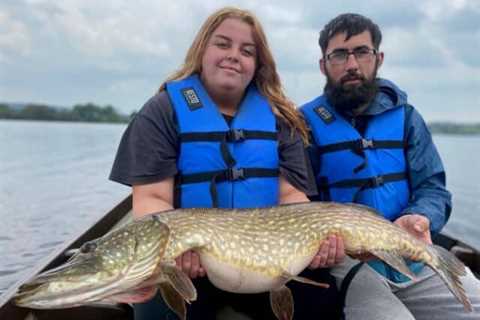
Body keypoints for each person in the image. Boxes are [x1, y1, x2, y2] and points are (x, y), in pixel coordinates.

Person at [110, 7, 340, 320]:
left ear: (258, 65)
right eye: (222, 44)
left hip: (267, 264)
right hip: (188, 265)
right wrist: (175, 250)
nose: (234, 55)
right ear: (202, 50)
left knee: (323, 300)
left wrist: (318, 242)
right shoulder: (162, 112)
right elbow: (152, 198)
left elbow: (291, 198)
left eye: (247, 51)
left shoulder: (280, 121)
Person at [300, 13, 480, 320]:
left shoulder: (407, 117)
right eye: (340, 54)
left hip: (410, 255)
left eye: (361, 51)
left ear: (378, 58)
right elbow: (300, 203)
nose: (352, 64)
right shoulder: (304, 125)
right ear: (323, 65)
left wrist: (420, 217)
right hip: (348, 263)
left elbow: (432, 187)